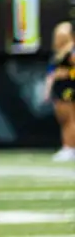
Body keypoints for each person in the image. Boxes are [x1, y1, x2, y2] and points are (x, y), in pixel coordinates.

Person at [47, 21, 73, 162]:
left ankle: (70, 147)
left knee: (70, 119)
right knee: (63, 119)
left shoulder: (71, 50)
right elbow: (51, 72)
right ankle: (66, 146)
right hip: (59, 87)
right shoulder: (58, 52)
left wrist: (68, 74)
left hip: (69, 87)